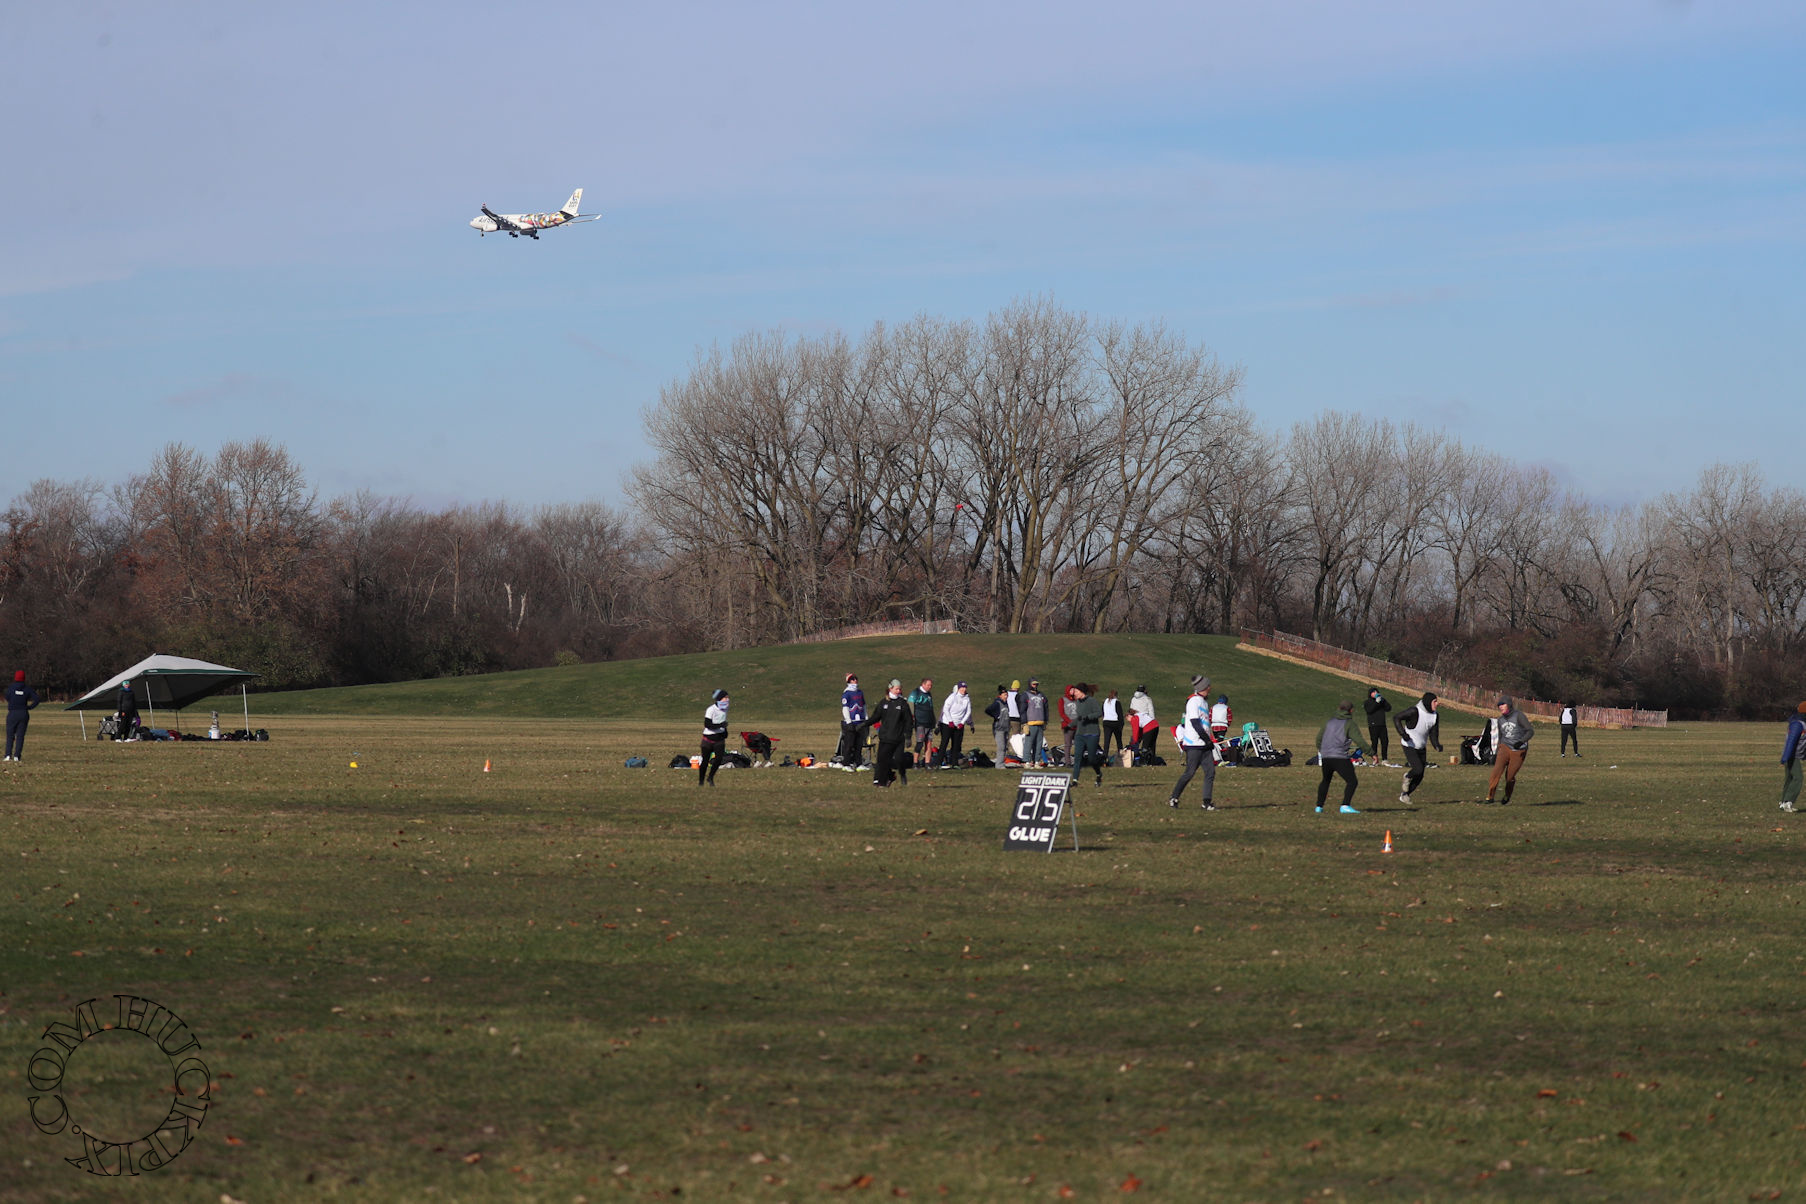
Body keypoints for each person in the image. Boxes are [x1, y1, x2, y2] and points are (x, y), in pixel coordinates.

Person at [1167, 675, 1219, 811]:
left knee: (1210, 772)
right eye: (1208, 686)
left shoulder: (1204, 702)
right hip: (1194, 744)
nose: (1210, 688)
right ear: (1203, 688)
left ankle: (1206, 803)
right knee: (1189, 773)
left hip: (1204, 745)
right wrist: (1207, 740)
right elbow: (1195, 723)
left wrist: (1208, 740)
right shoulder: (1193, 702)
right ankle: (1174, 797)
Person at [1314, 701, 1368, 814]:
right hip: (1339, 757)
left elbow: (1319, 738)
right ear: (1351, 710)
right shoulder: (1349, 723)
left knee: (1326, 780)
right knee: (1352, 781)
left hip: (1326, 756)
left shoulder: (1329, 722)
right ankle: (1345, 805)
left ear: (1339, 708)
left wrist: (1322, 750)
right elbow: (1359, 740)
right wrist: (1372, 753)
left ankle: (1319, 807)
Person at [1393, 691, 1441, 803]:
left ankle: (1405, 795)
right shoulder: (1415, 711)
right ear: (1429, 702)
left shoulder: (1435, 716)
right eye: (1435, 701)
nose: (1437, 704)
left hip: (1421, 747)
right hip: (1409, 745)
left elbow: (1433, 733)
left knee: (1420, 775)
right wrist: (1403, 734)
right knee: (1417, 769)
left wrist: (1436, 745)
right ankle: (1407, 776)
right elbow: (1396, 718)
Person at [1486, 696, 1535, 805]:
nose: (1500, 707)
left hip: (1519, 750)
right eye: (1499, 705)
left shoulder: (1519, 716)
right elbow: (1500, 735)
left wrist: (1521, 741)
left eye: (1503, 704)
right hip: (1505, 747)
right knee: (1496, 771)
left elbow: (1530, 731)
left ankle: (1507, 795)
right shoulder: (1500, 720)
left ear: (1509, 705)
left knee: (1510, 776)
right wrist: (1496, 750)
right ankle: (1490, 796)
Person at [870, 679, 913, 787]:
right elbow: (875, 717)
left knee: (898, 759)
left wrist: (908, 736)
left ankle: (902, 773)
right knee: (882, 760)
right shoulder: (883, 702)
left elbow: (909, 721)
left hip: (899, 738)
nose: (899, 691)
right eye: (896, 689)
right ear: (890, 689)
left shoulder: (903, 703)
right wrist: (864, 724)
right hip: (886, 737)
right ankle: (883, 780)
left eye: (900, 689)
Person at [1070, 683, 1105, 788]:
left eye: (1076, 691)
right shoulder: (1078, 702)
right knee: (1077, 758)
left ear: (1082, 692)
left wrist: (1088, 717)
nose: (1074, 693)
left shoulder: (1092, 701)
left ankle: (1099, 774)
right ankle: (1075, 781)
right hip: (1080, 734)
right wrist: (1070, 725)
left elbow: (1099, 713)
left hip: (1092, 733)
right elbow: (1080, 718)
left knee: (1091, 759)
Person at [4, 670, 42, 762]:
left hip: (12, 713)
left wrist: (13, 702)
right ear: (24, 678)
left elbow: (6, 696)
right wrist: (29, 707)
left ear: (15, 678)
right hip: (23, 713)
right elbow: (37, 699)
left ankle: (8, 755)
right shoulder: (27, 689)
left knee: (10, 735)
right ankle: (17, 756)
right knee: (20, 736)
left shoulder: (11, 688)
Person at [698, 689, 730, 786]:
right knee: (705, 761)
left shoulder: (725, 708)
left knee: (719, 759)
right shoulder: (711, 710)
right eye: (726, 697)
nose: (728, 699)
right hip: (708, 739)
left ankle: (710, 777)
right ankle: (701, 782)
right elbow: (707, 724)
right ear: (720, 698)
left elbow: (723, 721)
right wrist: (720, 725)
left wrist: (725, 731)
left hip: (719, 739)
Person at [1779, 701, 1806, 813]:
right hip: (1792, 756)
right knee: (1798, 778)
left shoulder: (1800, 723)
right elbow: (1791, 741)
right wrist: (1785, 758)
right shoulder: (1798, 724)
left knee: (1789, 778)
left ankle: (1783, 803)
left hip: (1793, 756)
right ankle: (1788, 801)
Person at [938, 682, 972, 767]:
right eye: (961, 688)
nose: (963, 689)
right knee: (944, 743)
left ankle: (954, 763)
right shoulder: (952, 697)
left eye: (965, 688)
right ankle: (938, 763)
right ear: (958, 688)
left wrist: (962, 723)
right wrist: (950, 721)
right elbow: (946, 709)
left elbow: (968, 712)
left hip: (958, 724)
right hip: (947, 723)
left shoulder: (966, 699)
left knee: (956, 744)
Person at [836, 674, 867, 769]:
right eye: (852, 679)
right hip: (851, 722)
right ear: (849, 681)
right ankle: (846, 764)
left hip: (860, 722)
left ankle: (858, 763)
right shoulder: (847, 694)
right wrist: (848, 721)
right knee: (849, 744)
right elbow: (845, 708)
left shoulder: (860, 693)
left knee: (859, 744)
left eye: (856, 679)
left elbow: (864, 706)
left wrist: (866, 718)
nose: (855, 681)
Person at [1021, 679, 1049, 767]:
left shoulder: (1041, 695)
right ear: (1030, 684)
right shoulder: (1025, 695)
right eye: (1033, 684)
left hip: (1040, 723)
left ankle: (1036, 761)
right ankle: (1026, 761)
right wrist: (1024, 723)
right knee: (1029, 743)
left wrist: (1045, 721)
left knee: (1039, 744)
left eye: (1036, 684)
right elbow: (1022, 710)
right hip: (1030, 723)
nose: (1035, 686)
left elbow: (1046, 708)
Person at [908, 679, 936, 760]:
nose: (930, 687)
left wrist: (933, 720)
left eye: (931, 685)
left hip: (929, 722)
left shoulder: (929, 694)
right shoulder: (915, 692)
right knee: (920, 743)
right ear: (923, 684)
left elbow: (931, 708)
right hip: (920, 722)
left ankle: (927, 762)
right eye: (928, 685)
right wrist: (912, 718)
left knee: (929, 743)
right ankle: (915, 762)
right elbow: (910, 705)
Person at [1129, 684, 1158, 760]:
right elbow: (1151, 710)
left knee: (1136, 739)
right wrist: (1153, 720)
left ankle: (1133, 755)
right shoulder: (1147, 699)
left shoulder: (1133, 699)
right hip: (1147, 721)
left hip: (1136, 720)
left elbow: (1131, 709)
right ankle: (1151, 757)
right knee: (1150, 741)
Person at [1364, 688, 1393, 762]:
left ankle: (1384, 759)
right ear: (1370, 694)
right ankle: (1375, 758)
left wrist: (1383, 701)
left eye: (1376, 692)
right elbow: (1369, 710)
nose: (1375, 693)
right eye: (1373, 692)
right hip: (1373, 725)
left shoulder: (1381, 701)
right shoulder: (1368, 702)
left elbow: (1388, 708)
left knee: (1385, 741)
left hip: (1382, 724)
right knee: (1374, 742)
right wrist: (1376, 703)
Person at [986, 685, 1011, 766]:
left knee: (1005, 747)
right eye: (1004, 695)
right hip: (999, 728)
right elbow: (988, 710)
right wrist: (996, 715)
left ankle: (1002, 762)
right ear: (1000, 695)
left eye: (1007, 695)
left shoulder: (1006, 704)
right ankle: (999, 765)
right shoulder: (997, 703)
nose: (1006, 696)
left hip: (1006, 728)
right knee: (1001, 747)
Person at [1100, 689, 1125, 759]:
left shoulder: (1105, 701)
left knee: (1106, 741)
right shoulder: (1117, 702)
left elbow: (1102, 712)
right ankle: (1121, 757)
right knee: (1119, 740)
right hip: (1115, 722)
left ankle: (1104, 757)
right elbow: (1120, 714)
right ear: (1116, 695)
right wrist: (1121, 724)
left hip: (1106, 722)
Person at [1058, 685, 1078, 768]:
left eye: (1074, 690)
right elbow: (1062, 713)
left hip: (1077, 726)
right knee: (1068, 744)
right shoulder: (1062, 700)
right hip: (1067, 725)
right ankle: (1068, 762)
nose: (1073, 691)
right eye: (1071, 690)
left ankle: (1077, 761)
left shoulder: (1077, 700)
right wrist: (1070, 721)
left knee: (1078, 744)